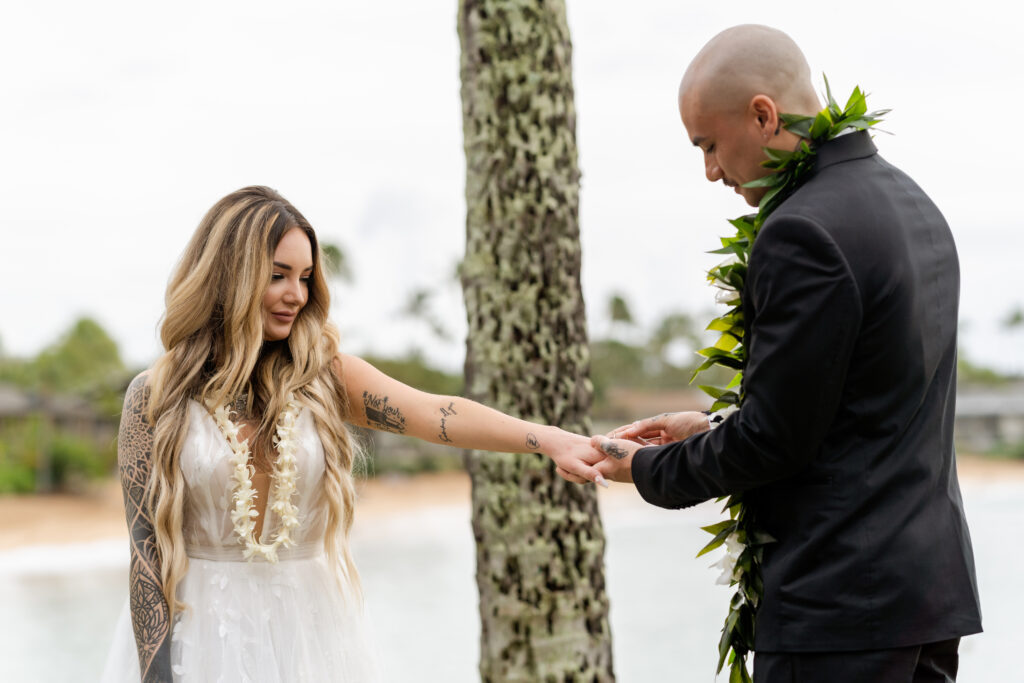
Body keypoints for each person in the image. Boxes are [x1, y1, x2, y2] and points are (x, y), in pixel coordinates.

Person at [586, 25, 982, 683]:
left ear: (764, 116)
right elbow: (856, 410)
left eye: (709, 145)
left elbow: (773, 442)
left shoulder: (801, 229)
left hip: (838, 614)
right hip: (925, 602)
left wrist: (652, 468)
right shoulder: (915, 204)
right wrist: (714, 428)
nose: (710, 170)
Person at [100, 186, 605, 682]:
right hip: (200, 642)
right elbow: (146, 557)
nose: (296, 295)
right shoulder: (155, 396)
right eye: (277, 276)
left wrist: (550, 439)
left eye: (304, 277)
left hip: (309, 640)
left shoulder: (324, 377)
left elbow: (437, 415)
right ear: (230, 274)